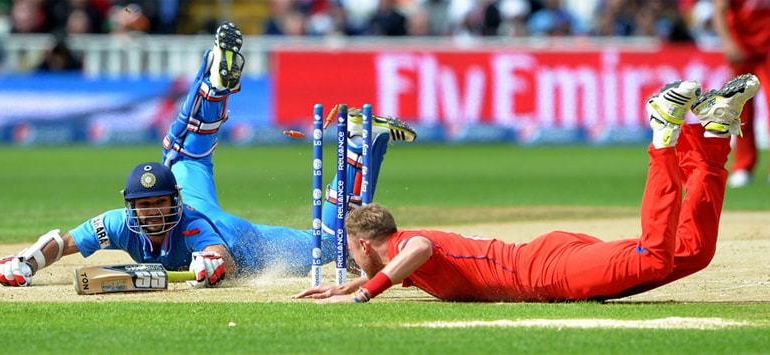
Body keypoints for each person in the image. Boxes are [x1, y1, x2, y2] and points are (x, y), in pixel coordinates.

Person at [0, 21, 417, 288]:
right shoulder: (120, 224)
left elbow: (222, 257)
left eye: (160, 202)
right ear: (131, 208)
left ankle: (359, 144)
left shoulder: (191, 225)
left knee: (335, 248)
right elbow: (64, 243)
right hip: (199, 203)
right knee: (183, 153)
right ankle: (214, 86)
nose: (154, 213)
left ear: (174, 200)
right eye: (145, 206)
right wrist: (28, 261)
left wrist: (211, 267)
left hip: (250, 244)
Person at [293, 74, 760, 303]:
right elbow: (409, 262)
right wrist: (351, 284)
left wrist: (368, 289)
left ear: (362, 243)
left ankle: (662, 134)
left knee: (656, 255)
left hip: (544, 273)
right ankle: (715, 132)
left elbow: (419, 246)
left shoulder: (403, 245)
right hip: (549, 261)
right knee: (692, 253)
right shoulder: (397, 260)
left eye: (355, 255)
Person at [710, 0, 770, 188]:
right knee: (742, 109)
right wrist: (728, 44)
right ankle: (743, 166)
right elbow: (719, 11)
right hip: (742, 51)